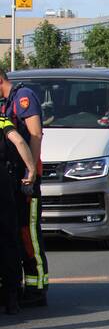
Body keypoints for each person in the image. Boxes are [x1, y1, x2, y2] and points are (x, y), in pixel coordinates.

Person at [0, 69, 48, 306]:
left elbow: (35, 135)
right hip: (12, 179)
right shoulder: (6, 103)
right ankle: (19, 286)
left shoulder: (23, 97)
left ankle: (37, 287)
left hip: (27, 178)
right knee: (13, 233)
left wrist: (32, 173)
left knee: (28, 234)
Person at [0, 115, 37, 315]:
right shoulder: (2, 121)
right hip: (2, 182)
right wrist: (31, 170)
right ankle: (12, 297)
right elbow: (20, 141)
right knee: (8, 239)